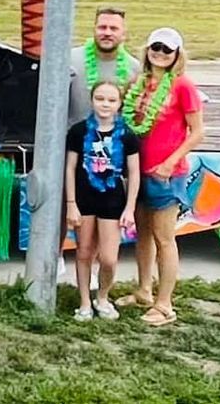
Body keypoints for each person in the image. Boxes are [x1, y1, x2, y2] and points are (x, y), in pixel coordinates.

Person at [123, 27, 206, 327]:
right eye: (155, 47)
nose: (160, 53)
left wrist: (171, 162)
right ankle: (144, 289)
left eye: (167, 49)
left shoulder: (183, 86)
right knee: (142, 234)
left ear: (176, 55)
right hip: (139, 170)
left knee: (164, 238)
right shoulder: (140, 84)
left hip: (166, 174)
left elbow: (197, 132)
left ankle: (165, 303)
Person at [65, 79, 140, 321]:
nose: (105, 104)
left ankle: (103, 297)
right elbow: (70, 168)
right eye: (100, 99)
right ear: (91, 101)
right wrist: (71, 204)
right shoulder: (78, 132)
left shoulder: (127, 136)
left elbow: (135, 173)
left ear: (119, 104)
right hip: (84, 199)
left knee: (108, 257)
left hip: (112, 201)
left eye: (111, 100)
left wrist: (130, 208)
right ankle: (85, 301)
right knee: (84, 252)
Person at [68, 7, 142, 125]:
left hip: (113, 140)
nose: (107, 33)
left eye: (114, 29)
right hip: (71, 138)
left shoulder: (135, 68)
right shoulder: (69, 59)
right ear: (94, 30)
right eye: (102, 27)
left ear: (123, 34)